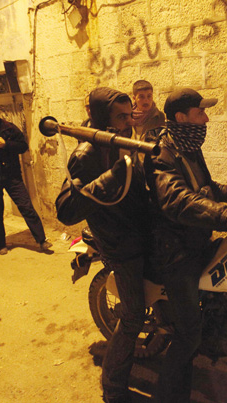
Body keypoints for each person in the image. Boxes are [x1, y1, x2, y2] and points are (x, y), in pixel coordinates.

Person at [147, 88, 227, 403]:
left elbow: (206, 187)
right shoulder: (163, 154)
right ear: (182, 118)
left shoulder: (188, 146)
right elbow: (177, 199)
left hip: (195, 238)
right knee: (188, 335)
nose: (207, 118)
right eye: (201, 113)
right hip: (174, 252)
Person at [55, 87, 152, 403]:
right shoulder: (85, 155)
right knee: (133, 316)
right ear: (102, 118)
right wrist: (110, 176)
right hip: (118, 243)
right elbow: (66, 210)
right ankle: (112, 386)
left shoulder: (123, 141)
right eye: (121, 116)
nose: (128, 121)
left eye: (130, 114)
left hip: (138, 231)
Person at [0, 101, 51, 255]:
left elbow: (23, 146)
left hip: (12, 176)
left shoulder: (9, 128)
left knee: (26, 207)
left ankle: (41, 240)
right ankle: (1, 244)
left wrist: (6, 145)